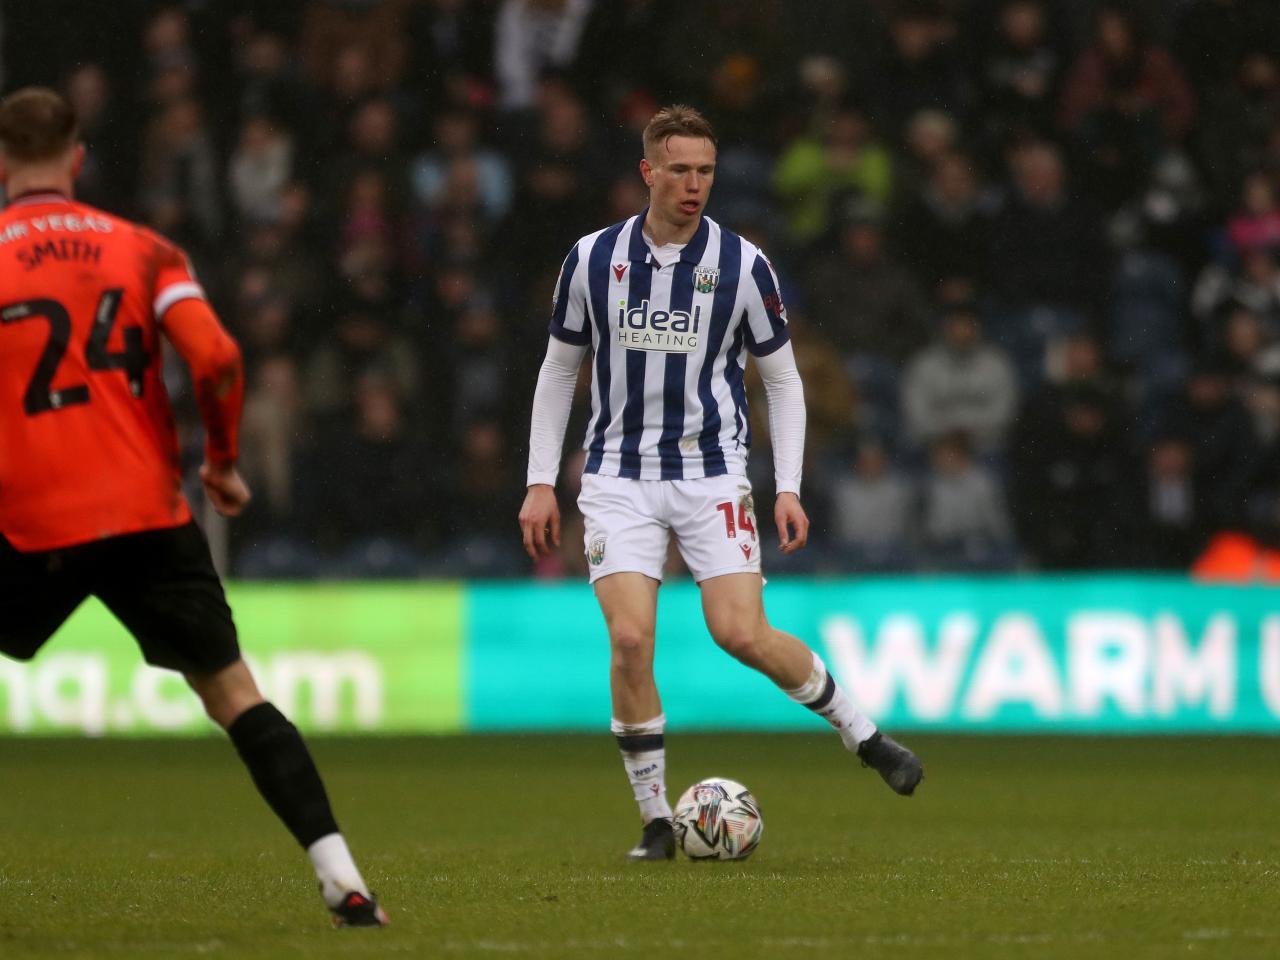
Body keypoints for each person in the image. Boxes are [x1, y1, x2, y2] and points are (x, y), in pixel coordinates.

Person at [0, 88, 387, 928]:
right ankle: (343, 878)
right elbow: (214, 355)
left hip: (25, 517)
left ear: (1, 161)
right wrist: (221, 461)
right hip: (145, 512)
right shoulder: (144, 251)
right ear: (76, 158)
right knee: (233, 692)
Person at [517, 105, 923, 861]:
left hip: (711, 476)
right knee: (632, 639)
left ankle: (866, 739)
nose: (694, 184)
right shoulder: (591, 258)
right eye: (679, 170)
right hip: (618, 476)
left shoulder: (744, 266)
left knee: (740, 633)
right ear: (648, 172)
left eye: (705, 170)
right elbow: (559, 370)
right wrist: (542, 481)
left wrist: (789, 486)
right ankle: (655, 822)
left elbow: (784, 381)